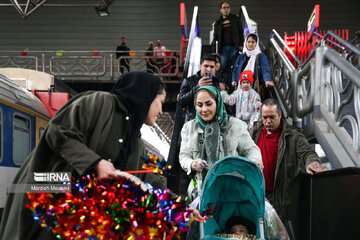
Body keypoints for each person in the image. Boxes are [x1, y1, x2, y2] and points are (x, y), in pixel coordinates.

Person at [0, 72, 169, 239]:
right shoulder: (99, 102)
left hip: (81, 216)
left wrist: (178, 203)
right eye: (160, 102)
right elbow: (58, 131)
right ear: (145, 95)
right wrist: (95, 162)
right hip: (52, 194)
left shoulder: (136, 141)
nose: (161, 111)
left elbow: (144, 178)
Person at [179, 86, 263, 199]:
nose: (204, 109)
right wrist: (192, 163)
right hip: (201, 193)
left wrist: (255, 160)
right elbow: (184, 156)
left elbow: (251, 149)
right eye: (199, 105)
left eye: (209, 104)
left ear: (217, 102)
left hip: (233, 192)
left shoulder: (235, 125)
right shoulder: (189, 128)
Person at [250, 99, 323, 222]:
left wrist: (312, 162)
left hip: (278, 198)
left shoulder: (293, 136)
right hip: (256, 193)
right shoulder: (255, 132)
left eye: (272, 117)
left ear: (279, 115)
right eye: (265, 117)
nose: (268, 121)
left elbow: (307, 153)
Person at [178, 54, 220, 122]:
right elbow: (181, 101)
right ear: (200, 66)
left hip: (212, 122)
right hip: (194, 121)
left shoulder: (216, 81)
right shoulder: (189, 81)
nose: (208, 69)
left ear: (215, 68)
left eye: (211, 67)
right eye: (206, 66)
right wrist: (197, 87)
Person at [232, 33, 273, 100]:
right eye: (249, 42)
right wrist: (234, 80)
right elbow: (235, 70)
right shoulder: (240, 57)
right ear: (245, 43)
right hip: (240, 87)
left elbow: (265, 69)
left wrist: (267, 79)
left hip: (254, 88)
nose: (250, 44)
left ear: (256, 44)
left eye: (253, 42)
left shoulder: (261, 56)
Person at [212, 1, 244, 75]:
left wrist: (241, 44)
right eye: (224, 8)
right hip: (223, 48)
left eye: (228, 7)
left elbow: (240, 32)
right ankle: (223, 82)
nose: (226, 9)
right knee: (223, 66)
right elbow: (215, 37)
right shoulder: (218, 23)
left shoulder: (235, 19)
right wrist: (214, 51)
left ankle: (233, 83)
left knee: (234, 66)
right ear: (220, 10)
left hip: (234, 47)